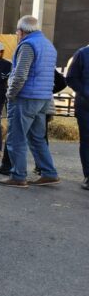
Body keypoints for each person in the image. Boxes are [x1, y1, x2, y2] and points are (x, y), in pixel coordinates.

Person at [0, 16, 60, 188]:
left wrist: (10, 94)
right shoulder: (48, 45)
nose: (17, 34)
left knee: (16, 138)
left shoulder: (27, 45)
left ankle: (18, 175)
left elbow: (20, 74)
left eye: (17, 31)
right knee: (36, 137)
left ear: (21, 31)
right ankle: (49, 172)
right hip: (43, 97)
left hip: (25, 97)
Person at [66, 41, 89, 190]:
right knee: (87, 140)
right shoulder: (82, 54)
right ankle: (88, 175)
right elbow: (71, 78)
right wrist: (86, 93)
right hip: (86, 105)